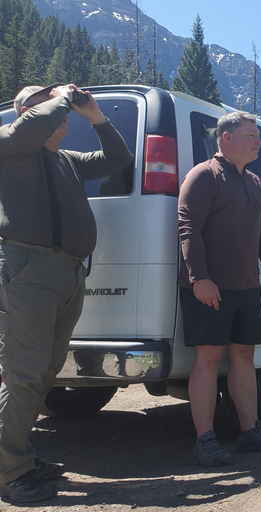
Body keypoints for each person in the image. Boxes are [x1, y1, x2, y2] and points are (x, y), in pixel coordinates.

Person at [0, 83, 133, 503]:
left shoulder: (68, 161)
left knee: (44, 372)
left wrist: (96, 116)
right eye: (47, 106)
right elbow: (31, 125)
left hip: (67, 274)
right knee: (25, 371)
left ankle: (19, 454)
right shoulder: (12, 147)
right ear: (24, 113)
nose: (61, 115)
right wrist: (61, 97)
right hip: (28, 272)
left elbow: (119, 160)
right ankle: (8, 471)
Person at [178, 111, 261, 467]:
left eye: (258, 136)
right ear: (226, 138)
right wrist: (199, 278)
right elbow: (187, 227)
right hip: (210, 287)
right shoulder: (203, 175)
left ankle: (250, 431)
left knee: (244, 357)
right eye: (252, 135)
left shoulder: (254, 182)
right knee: (208, 358)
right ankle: (204, 440)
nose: (259, 141)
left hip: (247, 287)